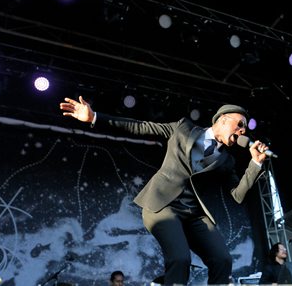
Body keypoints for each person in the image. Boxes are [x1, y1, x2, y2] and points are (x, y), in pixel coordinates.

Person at [59, 96, 269, 285]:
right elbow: (141, 127)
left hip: (194, 215)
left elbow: (238, 194)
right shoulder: (183, 128)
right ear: (222, 119)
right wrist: (95, 117)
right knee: (180, 259)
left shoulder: (227, 161)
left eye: (245, 129)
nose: (243, 131)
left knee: (222, 259)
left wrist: (255, 165)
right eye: (239, 125)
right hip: (163, 205)